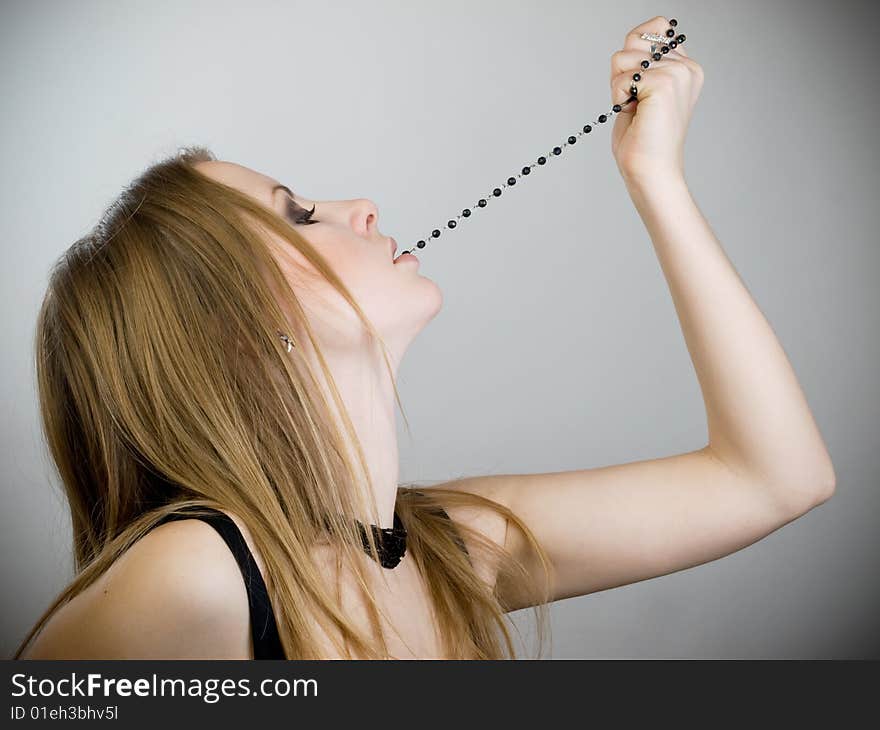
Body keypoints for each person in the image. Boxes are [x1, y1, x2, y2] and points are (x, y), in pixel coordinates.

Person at [15, 16, 834, 660]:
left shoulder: (452, 548)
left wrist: (656, 179)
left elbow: (776, 478)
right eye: (296, 214)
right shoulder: (195, 580)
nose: (361, 204)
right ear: (233, 333)